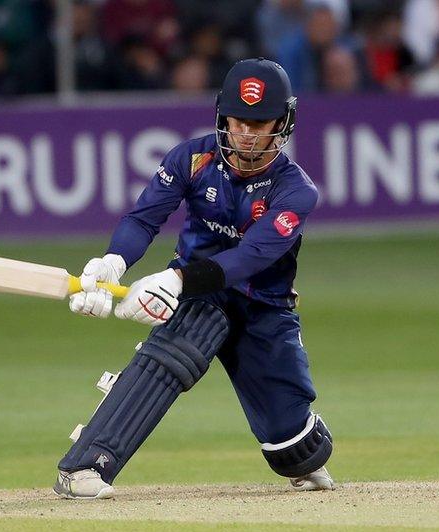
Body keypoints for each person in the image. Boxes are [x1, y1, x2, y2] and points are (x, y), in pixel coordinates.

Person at [57, 58, 334, 499]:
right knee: (173, 355)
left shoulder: (296, 190)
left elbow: (249, 257)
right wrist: (111, 264)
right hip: (197, 299)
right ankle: (87, 466)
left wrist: (177, 280)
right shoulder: (192, 158)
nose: (246, 132)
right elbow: (144, 219)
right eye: (239, 120)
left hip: (263, 305)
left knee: (298, 450)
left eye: (260, 123)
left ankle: (300, 447)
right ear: (223, 116)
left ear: (282, 124)